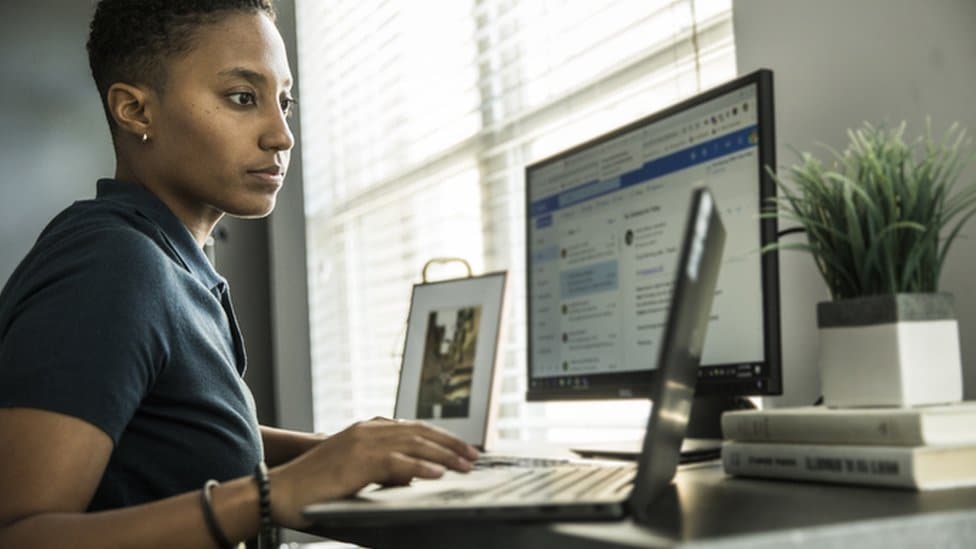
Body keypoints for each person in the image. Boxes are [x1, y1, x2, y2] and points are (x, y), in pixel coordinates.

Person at [0, 1, 478, 547]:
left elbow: (170, 432)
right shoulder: (112, 265)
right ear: (135, 110)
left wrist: (336, 452)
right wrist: (273, 495)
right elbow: (17, 534)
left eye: (284, 101)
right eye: (243, 97)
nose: (282, 135)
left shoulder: (169, 261)